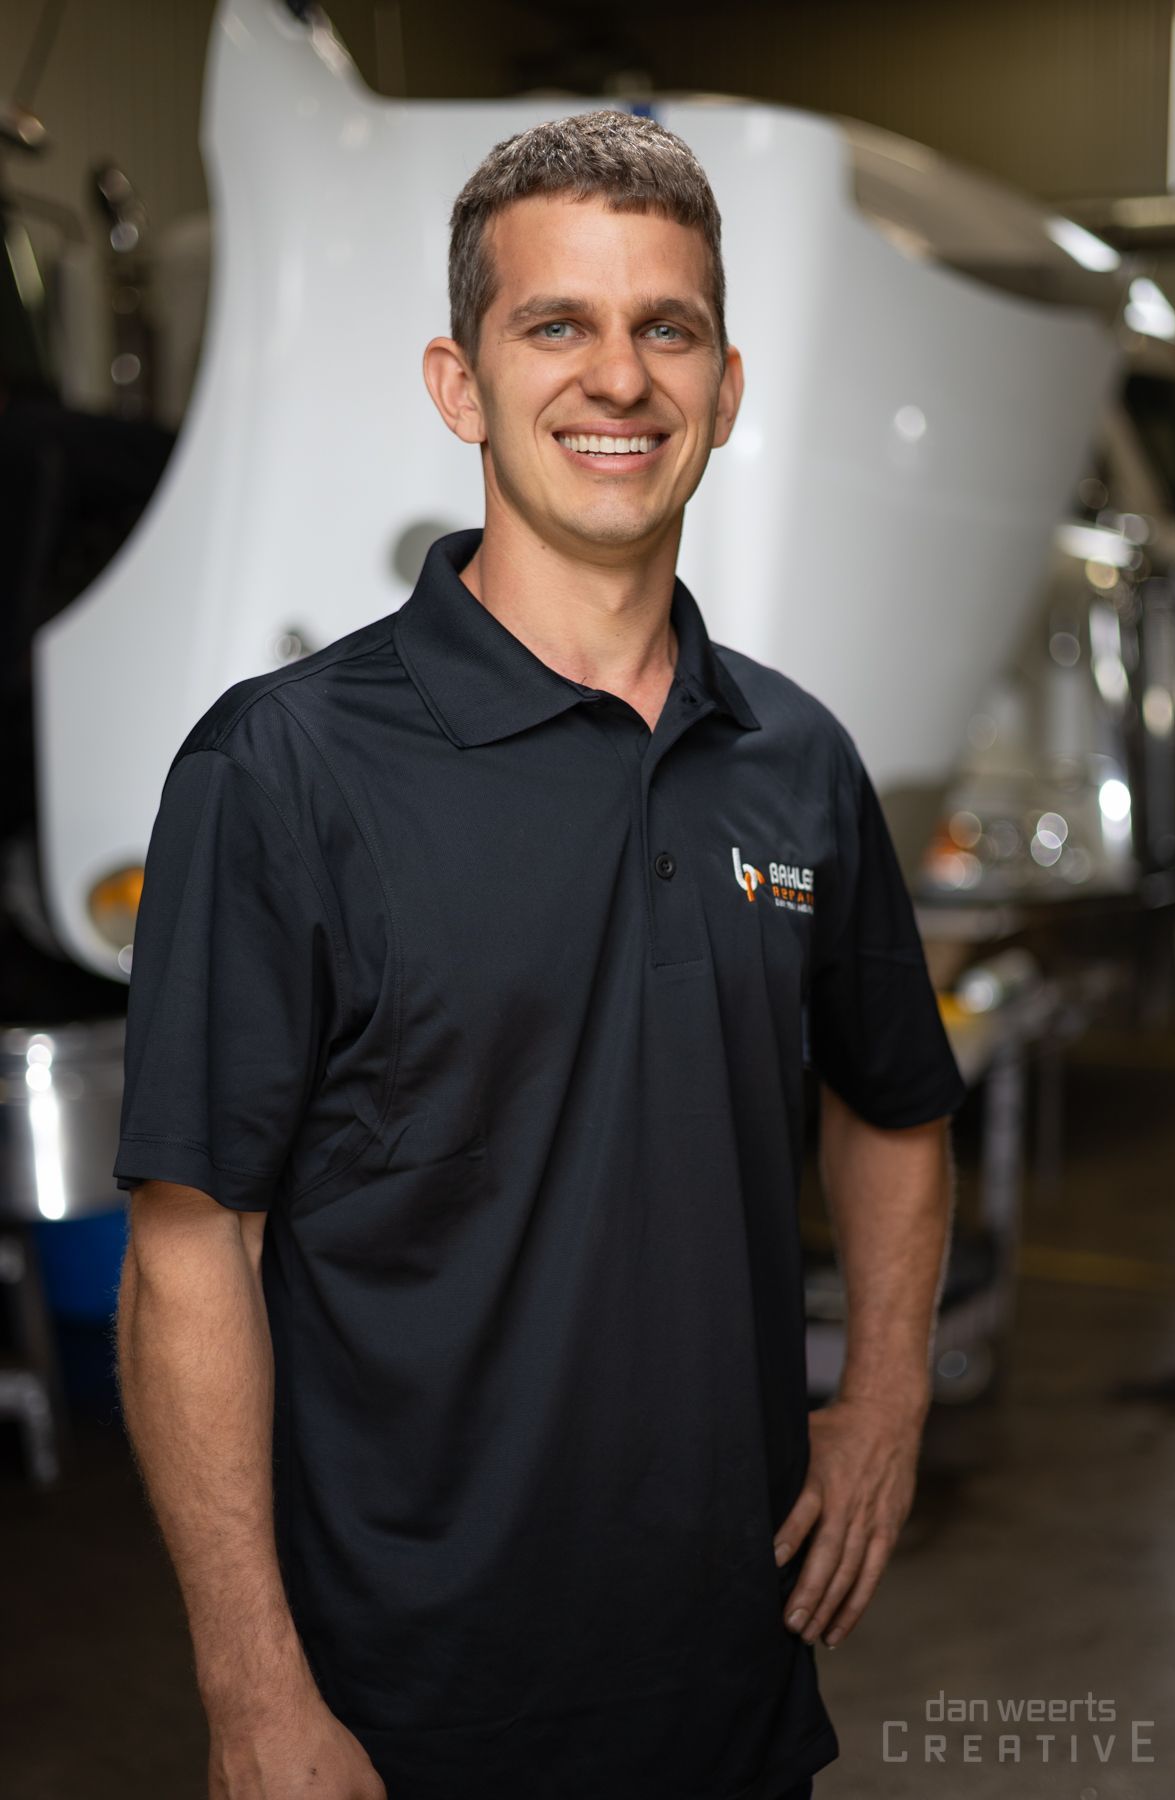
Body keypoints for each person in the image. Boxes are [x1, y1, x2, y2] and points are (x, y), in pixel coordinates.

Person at [113, 110, 965, 1800]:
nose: (619, 378)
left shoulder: (795, 761)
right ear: (461, 384)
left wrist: (884, 1403)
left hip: (731, 1702)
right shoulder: (283, 768)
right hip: (402, 1721)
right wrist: (254, 1694)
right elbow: (190, 1251)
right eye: (556, 324)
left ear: (728, 387)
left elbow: (895, 1103)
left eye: (669, 329)